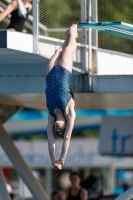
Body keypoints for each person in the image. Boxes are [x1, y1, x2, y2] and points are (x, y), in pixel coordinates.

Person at [46, 24, 77, 170]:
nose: (59, 130)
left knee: (58, 50)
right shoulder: (70, 111)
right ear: (66, 125)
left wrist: (53, 159)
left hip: (50, 74)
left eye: (57, 131)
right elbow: (67, 138)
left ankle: (69, 35)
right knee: (69, 48)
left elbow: (50, 140)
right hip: (64, 71)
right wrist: (61, 159)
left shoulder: (51, 114)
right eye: (62, 130)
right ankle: (74, 32)